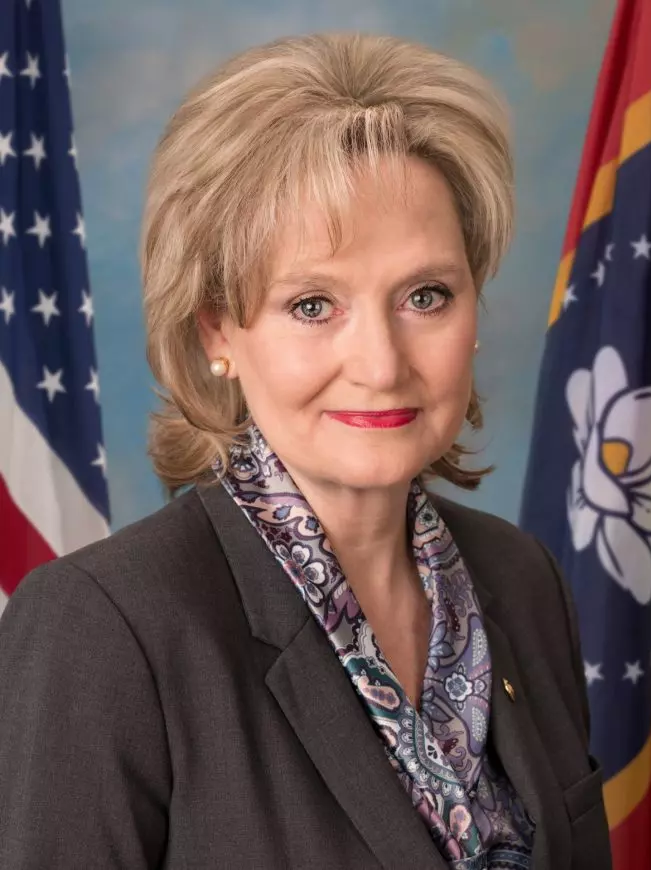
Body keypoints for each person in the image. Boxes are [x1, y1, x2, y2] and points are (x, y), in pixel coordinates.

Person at [0, 32, 612, 870]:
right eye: (314, 305)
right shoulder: (105, 628)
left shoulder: (524, 580)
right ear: (217, 329)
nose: (381, 365)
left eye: (425, 296)